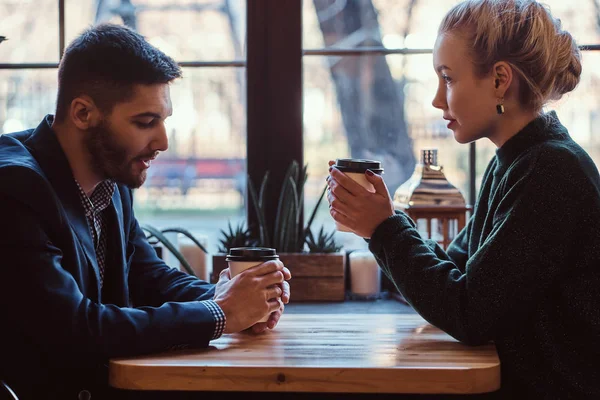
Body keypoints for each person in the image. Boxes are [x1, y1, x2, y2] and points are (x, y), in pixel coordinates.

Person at [0, 23, 291, 400]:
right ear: (83, 113)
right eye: (145, 122)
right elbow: (77, 328)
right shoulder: (14, 189)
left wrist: (230, 296)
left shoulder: (110, 172)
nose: (163, 142)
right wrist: (222, 314)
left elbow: (147, 276)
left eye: (163, 120)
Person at [327, 0, 600, 398]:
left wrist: (384, 228)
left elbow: (470, 313)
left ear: (499, 80)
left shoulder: (549, 170)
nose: (438, 99)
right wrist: (381, 223)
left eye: (448, 79)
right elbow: (456, 269)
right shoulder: (517, 159)